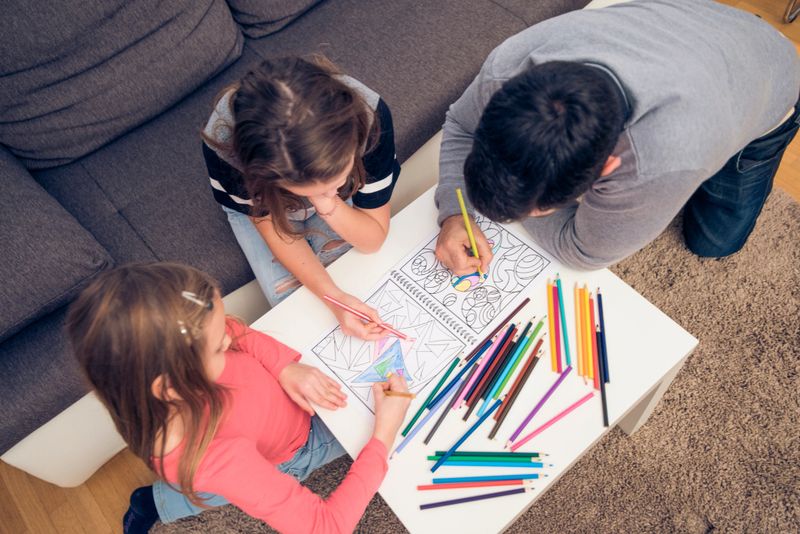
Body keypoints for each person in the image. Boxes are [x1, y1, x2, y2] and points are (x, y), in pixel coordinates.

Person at [434, 0, 800, 274]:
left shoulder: (659, 160)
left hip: (770, 78)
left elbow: (581, 250)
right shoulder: (508, 67)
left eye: (534, 210)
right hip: (696, 27)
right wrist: (456, 211)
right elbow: (462, 124)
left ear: (608, 168)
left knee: (713, 243)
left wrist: (506, 205)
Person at [66, 262, 411, 533]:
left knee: (213, 489)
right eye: (219, 349)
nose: (228, 341)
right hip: (296, 447)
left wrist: (282, 368)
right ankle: (154, 503)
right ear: (169, 387)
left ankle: (158, 500)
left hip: (279, 410)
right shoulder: (215, 460)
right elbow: (327, 526)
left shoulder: (158, 371)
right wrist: (382, 436)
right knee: (367, 425)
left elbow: (233, 329)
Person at [203, 56, 401, 339]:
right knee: (303, 315)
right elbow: (273, 228)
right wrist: (335, 299)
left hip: (315, 175)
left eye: (338, 179)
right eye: (314, 190)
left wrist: (329, 203)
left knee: (362, 274)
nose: (331, 190)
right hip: (264, 208)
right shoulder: (225, 148)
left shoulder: (372, 119)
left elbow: (372, 239)